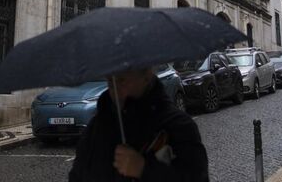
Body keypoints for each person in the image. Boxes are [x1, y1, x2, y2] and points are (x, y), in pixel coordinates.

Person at [68, 66, 209, 181]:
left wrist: (143, 169)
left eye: (122, 81)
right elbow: (77, 175)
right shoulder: (96, 127)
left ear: (146, 76)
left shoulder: (177, 126)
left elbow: (196, 177)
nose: (115, 91)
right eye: (110, 82)